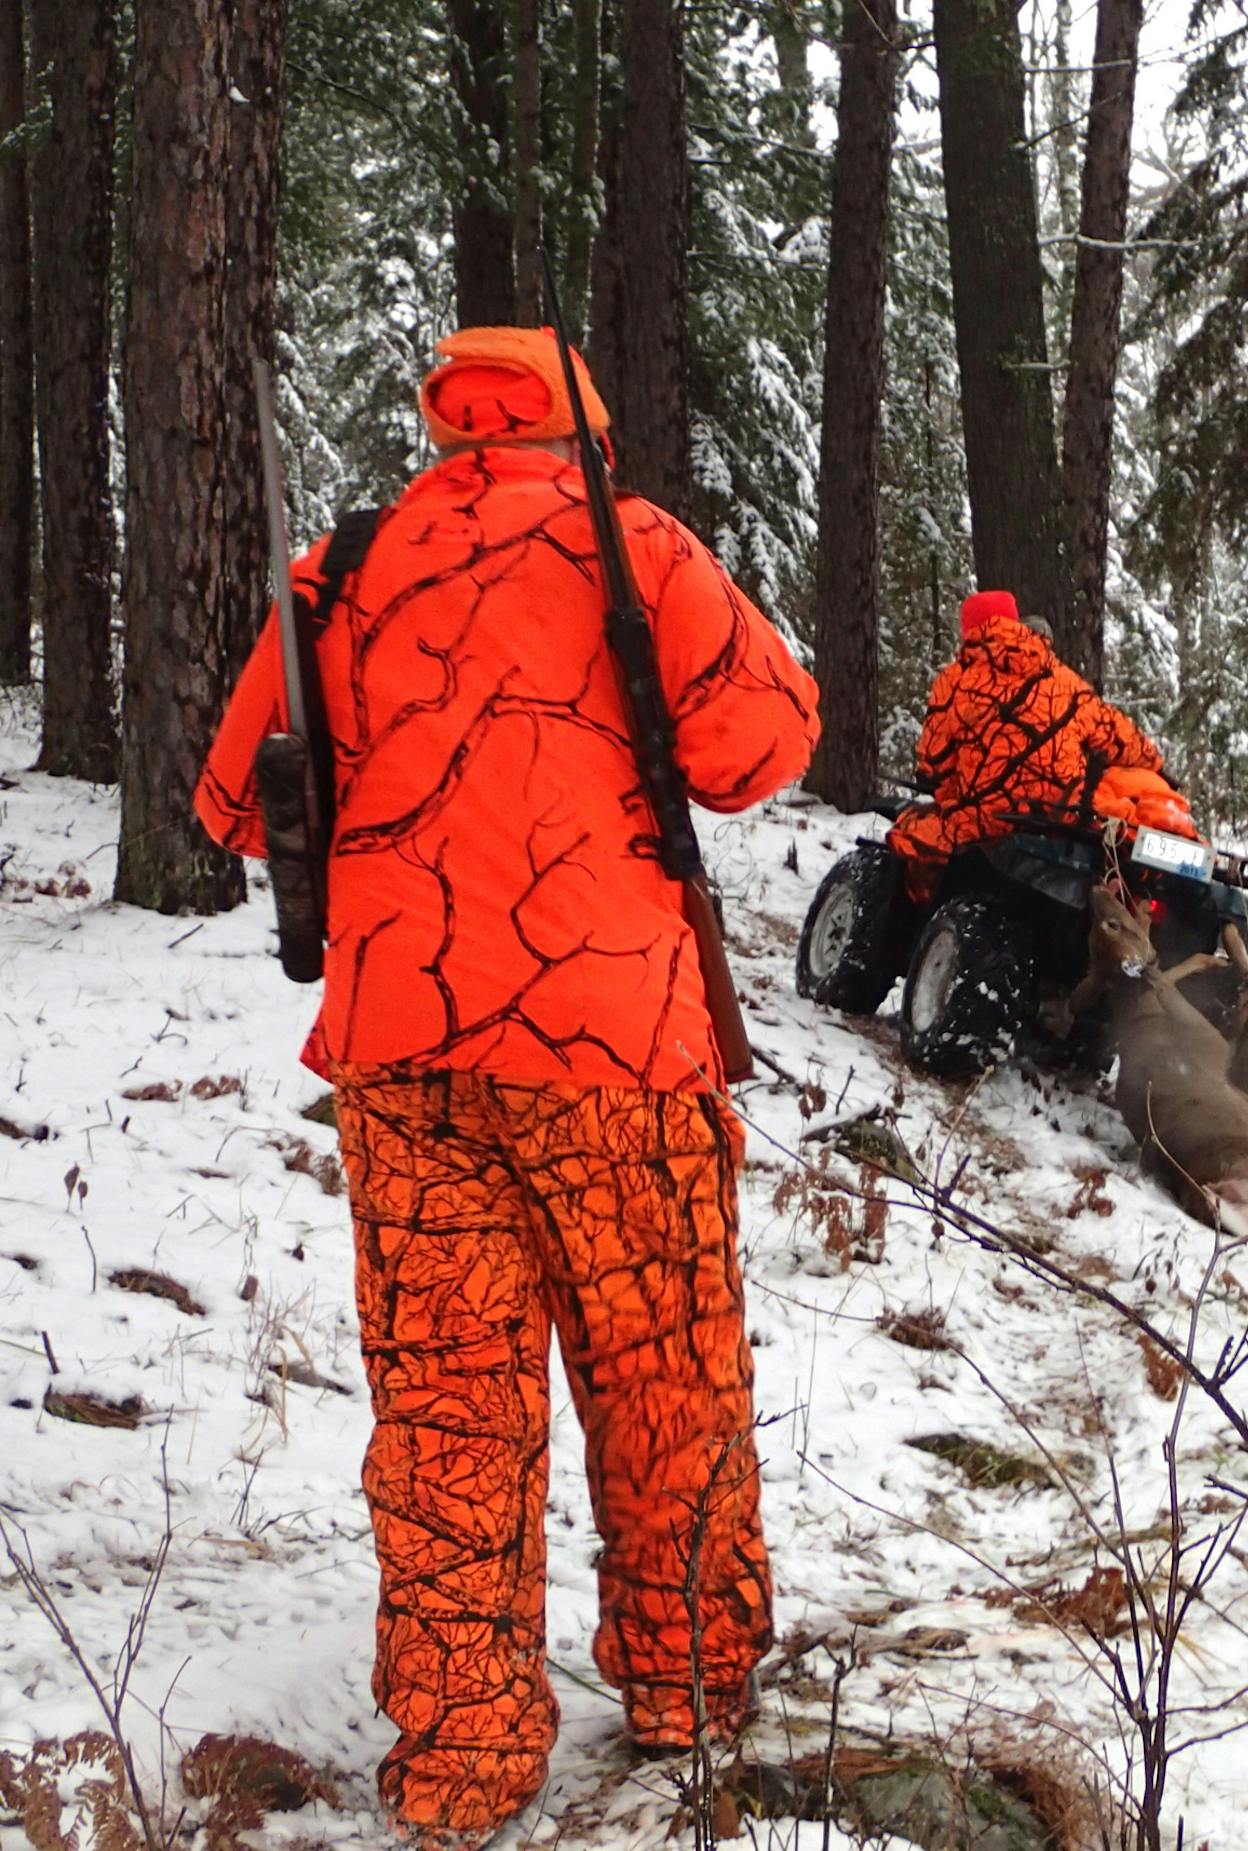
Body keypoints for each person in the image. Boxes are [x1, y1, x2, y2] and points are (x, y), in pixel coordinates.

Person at [195, 327, 820, 1848]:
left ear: (451, 428)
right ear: (581, 427)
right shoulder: (639, 548)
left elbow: (230, 802)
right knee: (661, 1366)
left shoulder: (343, 567)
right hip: (616, 1041)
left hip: (405, 1056)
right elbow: (768, 743)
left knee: (448, 1409)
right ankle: (686, 1680)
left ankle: (466, 1755)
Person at [886, 588, 1193, 899]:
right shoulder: (1061, 677)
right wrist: (1159, 768)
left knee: (908, 834)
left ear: (969, 629)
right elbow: (1117, 736)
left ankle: (921, 927)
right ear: (1015, 622)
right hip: (1062, 813)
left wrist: (942, 782)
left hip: (985, 820)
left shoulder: (953, 681)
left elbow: (933, 763)